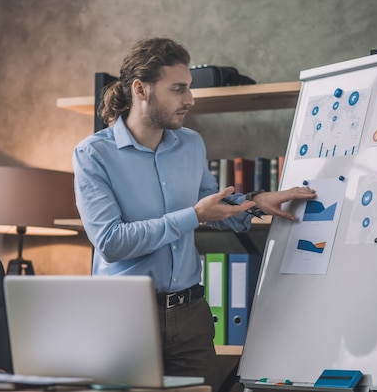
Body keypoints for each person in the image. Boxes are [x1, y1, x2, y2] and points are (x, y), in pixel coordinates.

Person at [72, 37, 316, 391]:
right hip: (125, 318)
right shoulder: (93, 154)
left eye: (189, 88)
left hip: (190, 315)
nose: (190, 99)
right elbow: (111, 242)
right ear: (141, 89)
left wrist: (256, 200)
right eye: (178, 89)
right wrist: (193, 215)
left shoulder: (190, 143)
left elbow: (211, 207)